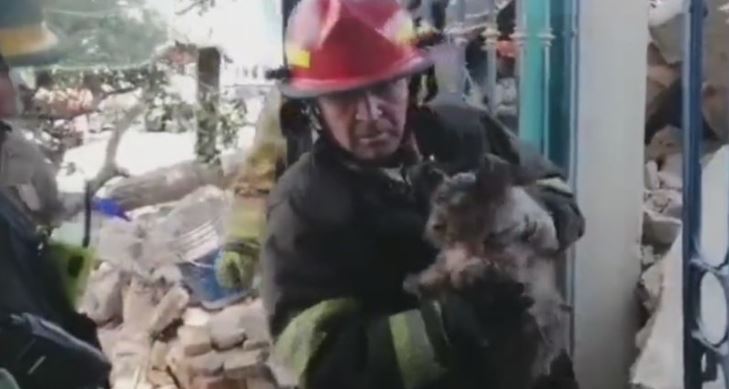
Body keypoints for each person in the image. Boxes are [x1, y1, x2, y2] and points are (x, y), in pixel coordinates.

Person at [259, 0, 585, 388]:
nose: (370, 115)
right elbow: (319, 362)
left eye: (384, 87)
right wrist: (447, 326)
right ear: (313, 109)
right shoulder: (303, 206)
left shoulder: (467, 132)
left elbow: (560, 194)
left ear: (411, 83)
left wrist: (533, 215)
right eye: (343, 98)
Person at [0, 51, 110, 389]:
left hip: (38, 312)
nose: (15, 85)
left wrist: (95, 202)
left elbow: (51, 207)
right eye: (5, 75)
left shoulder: (17, 148)